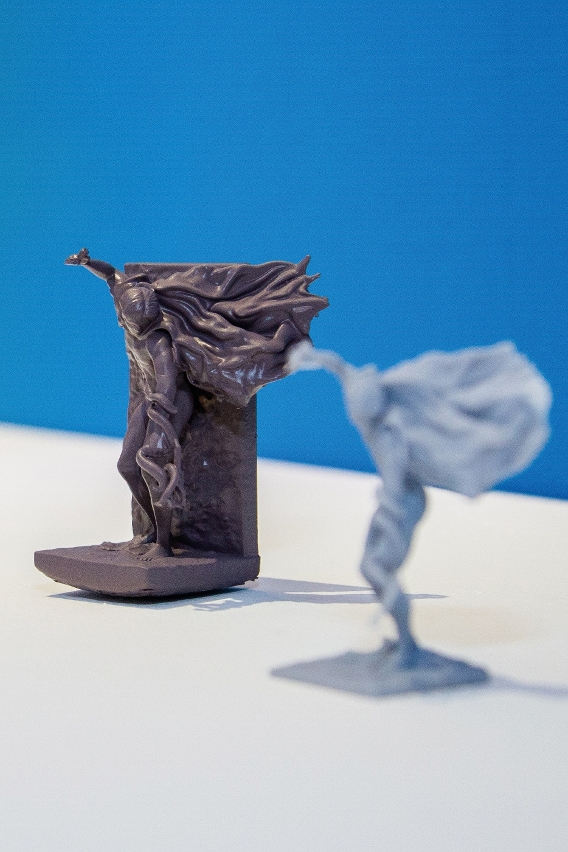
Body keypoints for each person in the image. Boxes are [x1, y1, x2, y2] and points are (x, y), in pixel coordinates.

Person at [65, 248, 328, 558]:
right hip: (150, 400)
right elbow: (111, 274)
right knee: (127, 465)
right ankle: (148, 531)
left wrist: (160, 409)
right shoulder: (126, 298)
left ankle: (164, 544)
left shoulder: (158, 340)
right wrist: (87, 262)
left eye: (148, 317)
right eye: (135, 318)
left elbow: (167, 380)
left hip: (172, 402)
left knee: (154, 464)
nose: (141, 323)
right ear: (124, 314)